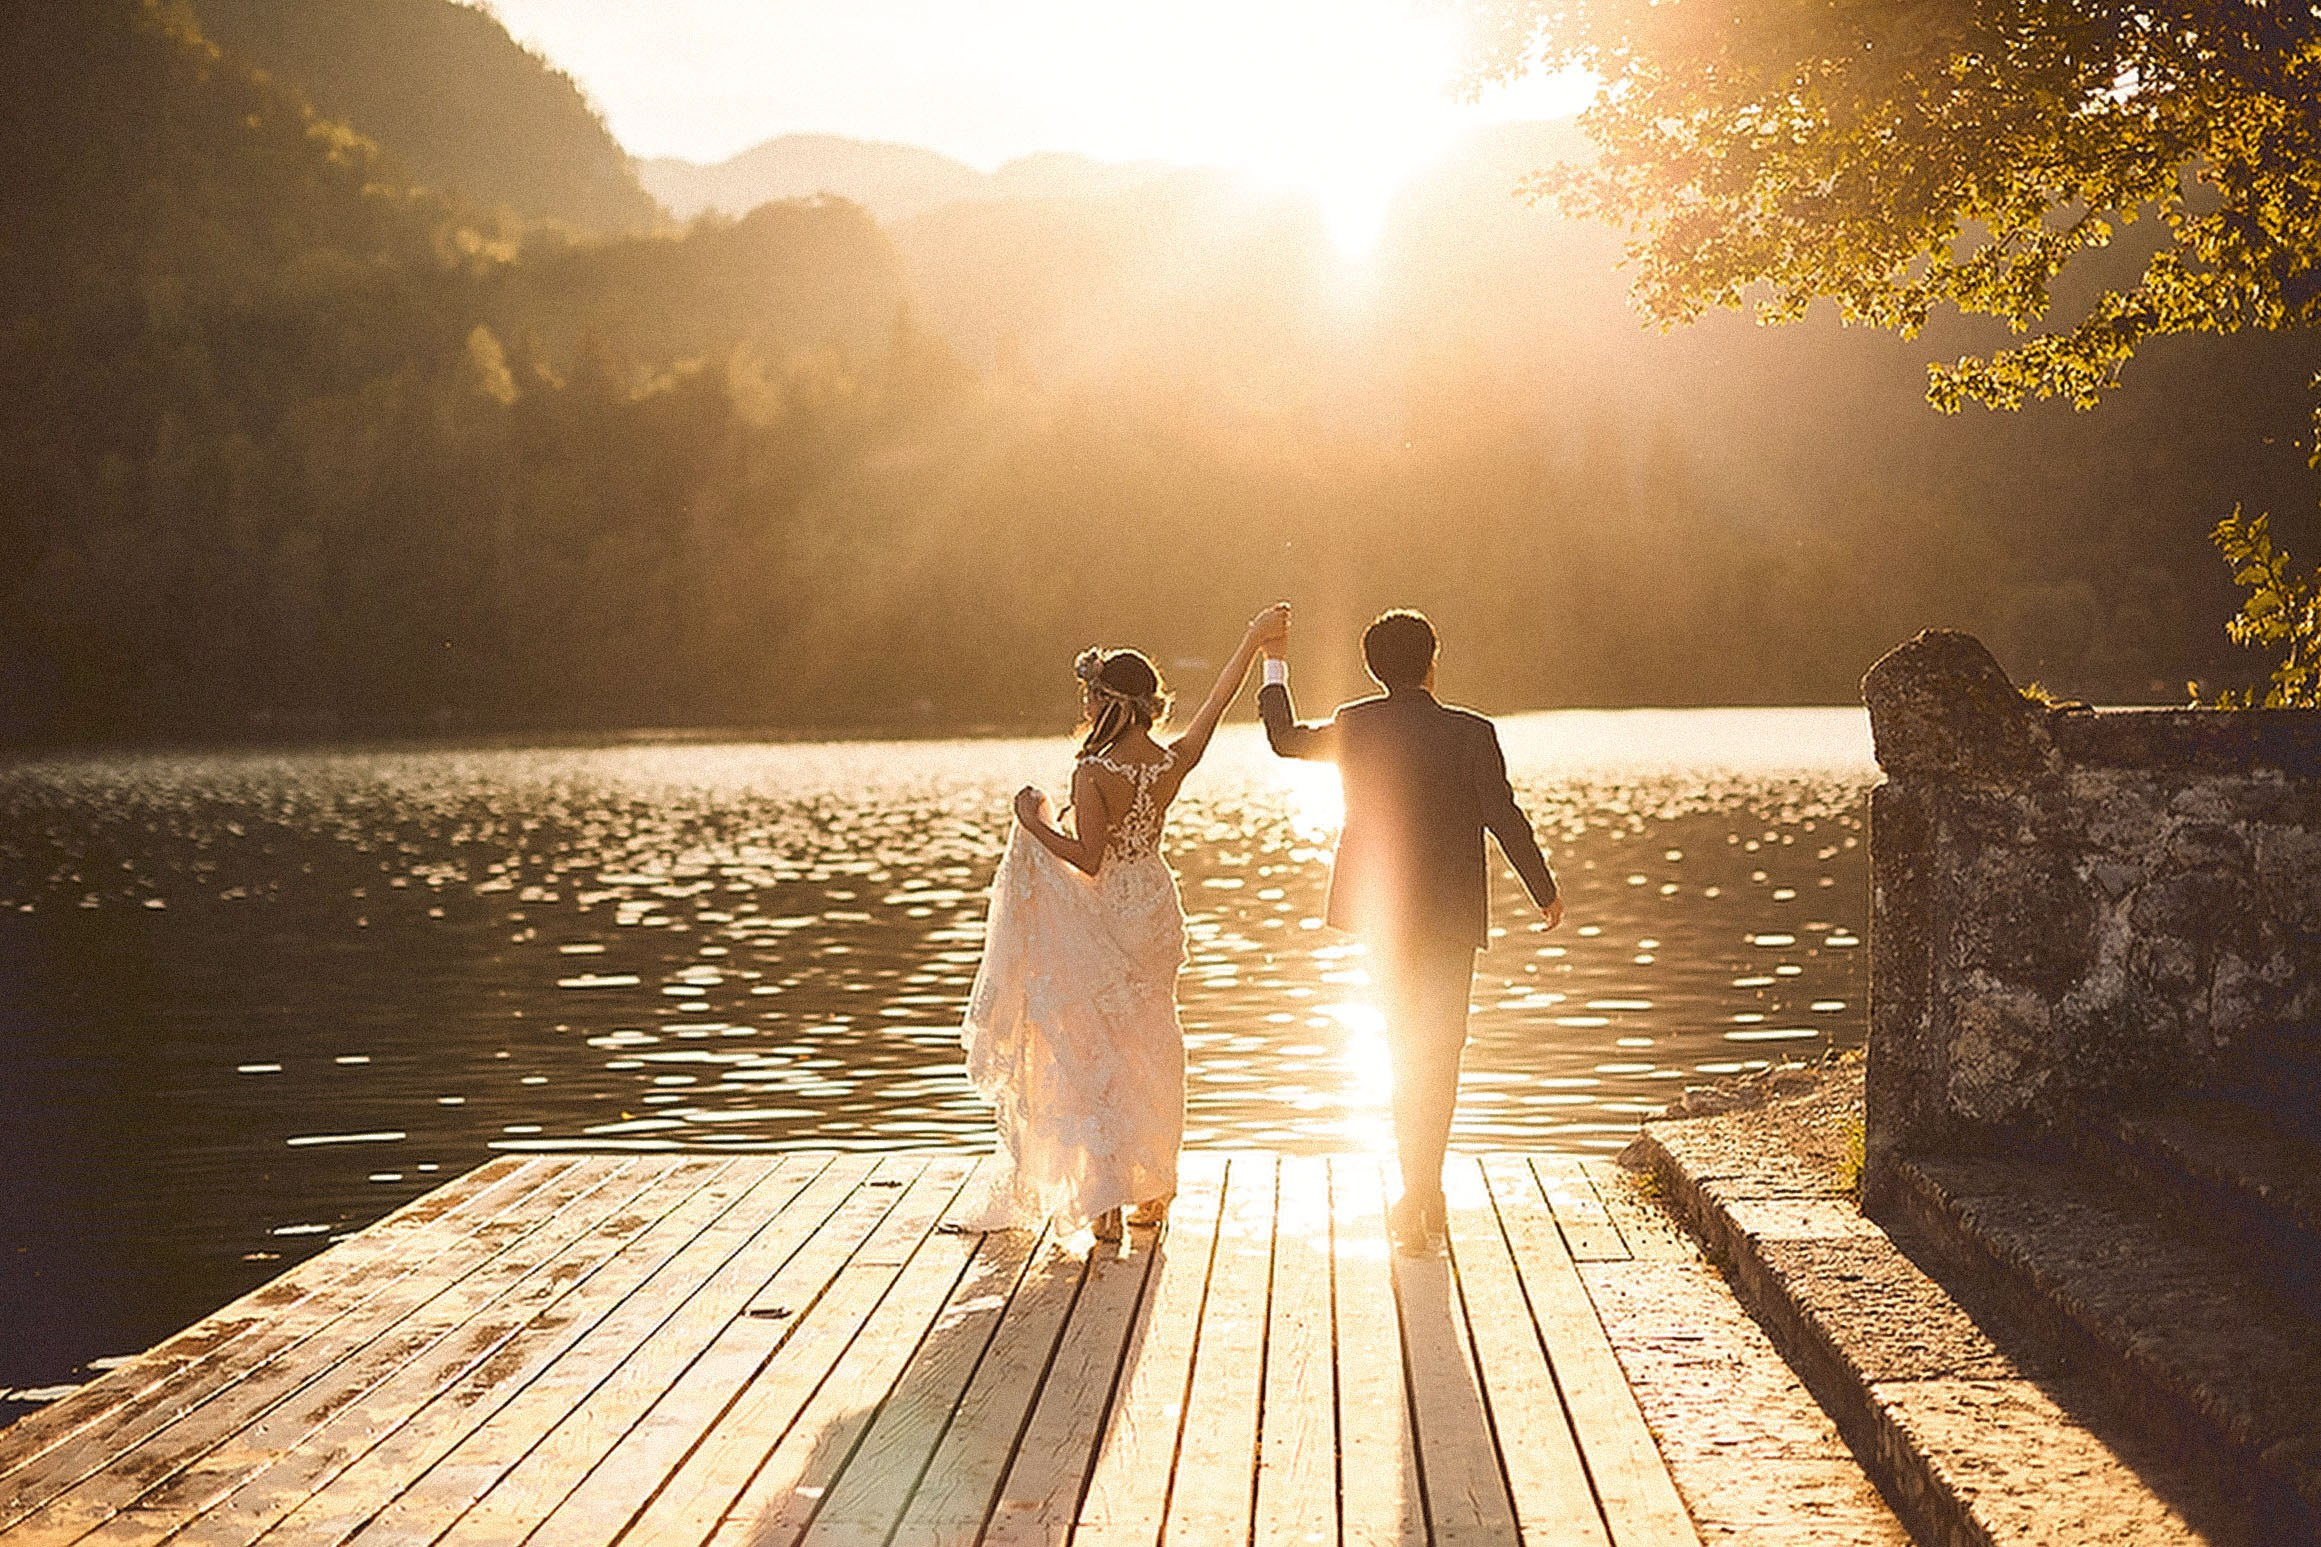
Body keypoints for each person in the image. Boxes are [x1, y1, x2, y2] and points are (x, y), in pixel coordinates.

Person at [958, 605, 1288, 1242]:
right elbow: (1219, 701)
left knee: (1098, 1047)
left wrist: (1034, 827)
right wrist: (1253, 640)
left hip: (1109, 907)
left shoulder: (1093, 773)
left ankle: (1106, 1203)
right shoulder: (1172, 762)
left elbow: (1087, 856)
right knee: (1154, 1039)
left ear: (1107, 705)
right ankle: (1154, 1193)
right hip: (1157, 905)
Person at [1257, 606, 1563, 1251]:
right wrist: (1544, 890)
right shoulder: (1471, 733)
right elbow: (1503, 817)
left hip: (1384, 914)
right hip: (1451, 917)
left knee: (1403, 1050)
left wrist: (1273, 657)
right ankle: (1426, 1190)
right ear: (1433, 659)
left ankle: (1416, 1191)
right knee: (1441, 1052)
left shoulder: (1356, 725)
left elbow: (1284, 739)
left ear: (1373, 667)